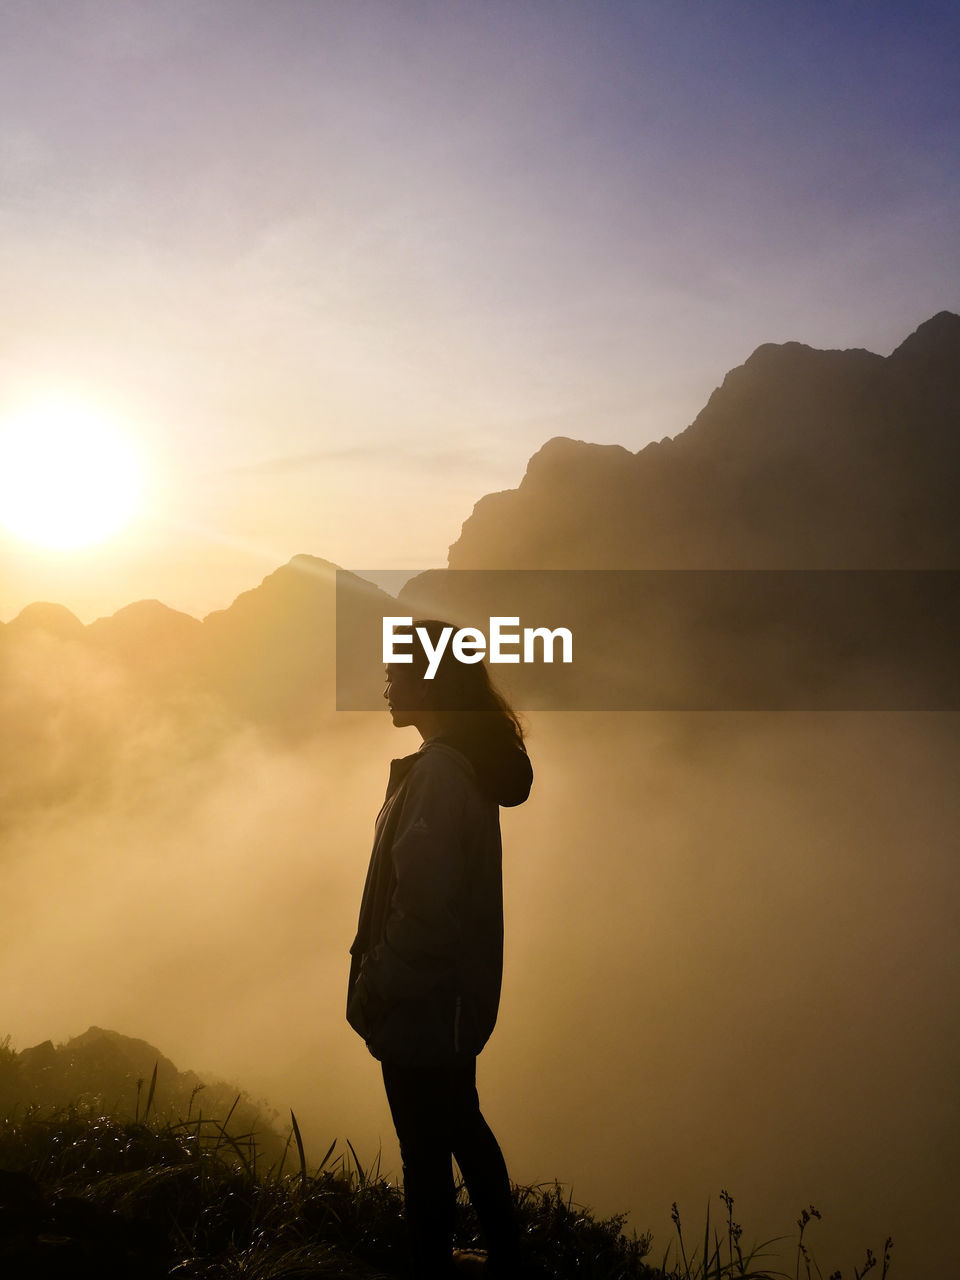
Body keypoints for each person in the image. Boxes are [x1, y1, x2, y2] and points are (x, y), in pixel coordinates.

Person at [346, 619, 533, 1279]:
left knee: (424, 1147)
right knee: (459, 1125)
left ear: (430, 679)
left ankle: (433, 1267)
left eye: (398, 672)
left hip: (425, 1001)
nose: (388, 685)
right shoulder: (460, 768)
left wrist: (377, 984)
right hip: (447, 1000)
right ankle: (501, 1260)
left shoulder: (438, 778)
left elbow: (425, 912)